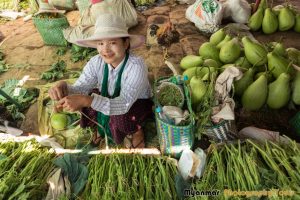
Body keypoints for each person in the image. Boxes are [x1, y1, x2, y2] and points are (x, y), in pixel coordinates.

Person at [49, 14, 153, 148]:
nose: (105, 49)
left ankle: (136, 130)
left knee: (120, 118)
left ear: (126, 43)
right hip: (110, 95)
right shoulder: (96, 62)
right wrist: (65, 87)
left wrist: (87, 100)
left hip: (135, 101)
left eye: (113, 43)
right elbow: (82, 87)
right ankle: (101, 126)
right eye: (100, 43)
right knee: (86, 100)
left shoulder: (136, 66)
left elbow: (123, 103)